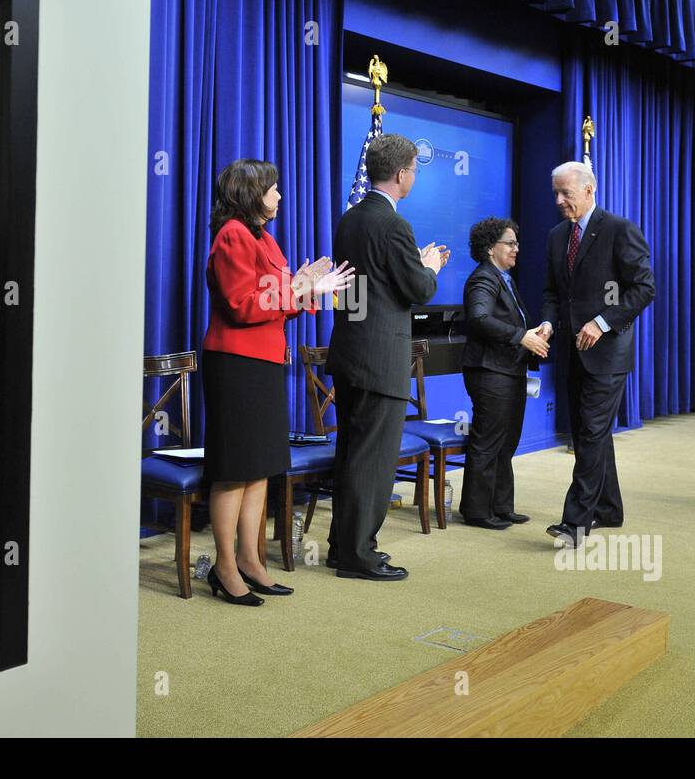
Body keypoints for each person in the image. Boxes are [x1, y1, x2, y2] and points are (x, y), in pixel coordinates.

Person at [201, 159, 351, 606]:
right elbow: (242, 304)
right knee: (234, 470)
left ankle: (251, 561)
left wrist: (303, 286)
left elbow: (273, 302)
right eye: (273, 189)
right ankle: (224, 567)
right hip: (235, 364)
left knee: (261, 466)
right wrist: (304, 290)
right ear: (251, 193)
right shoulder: (232, 234)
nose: (280, 196)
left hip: (264, 361)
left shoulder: (262, 237)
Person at [326, 134, 448, 581]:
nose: (413, 176)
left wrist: (410, 263)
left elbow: (371, 282)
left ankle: (343, 547)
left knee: (352, 454)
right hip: (381, 358)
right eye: (414, 169)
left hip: (349, 351)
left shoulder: (349, 219)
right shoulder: (395, 226)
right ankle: (360, 555)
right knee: (373, 461)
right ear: (402, 174)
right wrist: (429, 267)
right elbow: (417, 290)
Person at [538, 161, 655, 547]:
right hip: (571, 352)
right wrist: (549, 324)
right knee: (592, 433)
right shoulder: (558, 235)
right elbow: (555, 293)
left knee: (589, 434)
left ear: (589, 190)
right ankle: (609, 508)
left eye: (565, 193)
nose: (558, 200)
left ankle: (575, 524)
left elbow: (643, 289)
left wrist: (602, 321)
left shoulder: (620, 230)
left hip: (607, 353)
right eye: (555, 192)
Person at [458, 218, 549, 530]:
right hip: (490, 371)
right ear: (489, 248)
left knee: (507, 441)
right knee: (488, 441)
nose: (516, 248)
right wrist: (521, 336)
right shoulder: (483, 278)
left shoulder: (503, 278)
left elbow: (506, 322)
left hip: (508, 370)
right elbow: (479, 319)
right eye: (509, 243)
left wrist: (530, 332)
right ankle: (477, 511)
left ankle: (501, 506)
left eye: (516, 243)